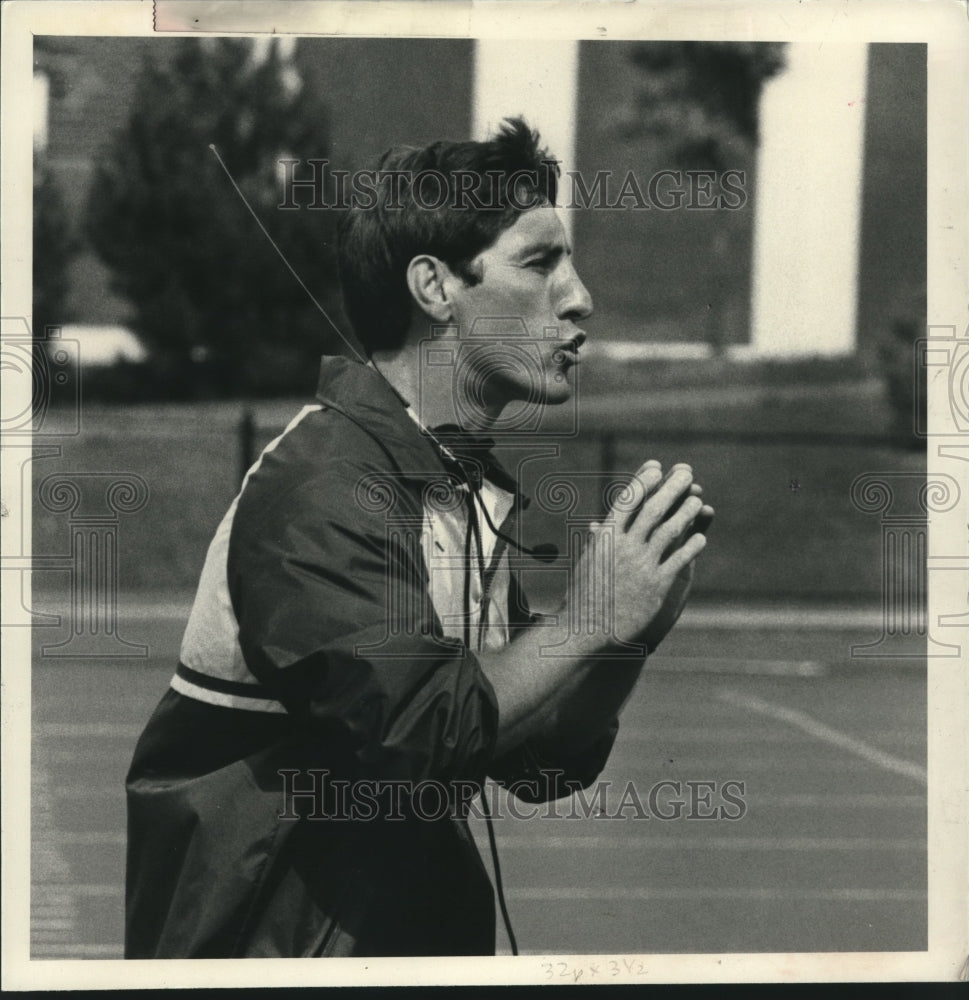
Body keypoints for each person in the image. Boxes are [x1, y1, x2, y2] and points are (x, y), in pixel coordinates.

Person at [124, 117, 714, 958]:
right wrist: (588, 618)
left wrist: (625, 640)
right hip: (271, 957)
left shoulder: (451, 481)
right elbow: (419, 737)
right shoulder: (328, 485)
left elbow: (535, 761)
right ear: (435, 288)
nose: (579, 297)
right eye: (541, 262)